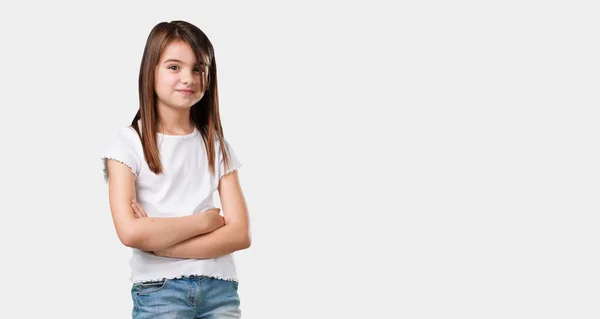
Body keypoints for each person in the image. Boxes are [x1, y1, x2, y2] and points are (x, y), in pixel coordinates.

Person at [101, 20, 251, 319]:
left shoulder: (215, 145)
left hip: (220, 290)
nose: (188, 78)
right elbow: (131, 232)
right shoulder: (128, 144)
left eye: (198, 68)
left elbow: (240, 234)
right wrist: (207, 222)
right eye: (174, 67)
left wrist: (163, 245)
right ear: (150, 71)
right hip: (160, 292)